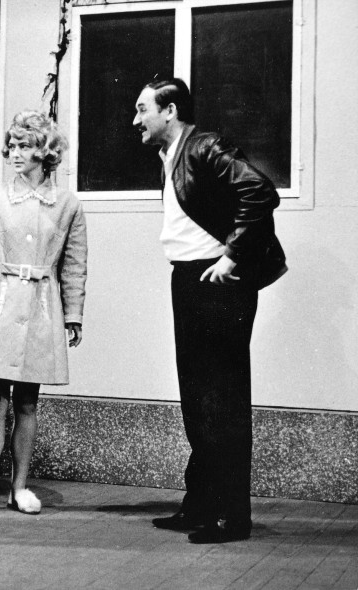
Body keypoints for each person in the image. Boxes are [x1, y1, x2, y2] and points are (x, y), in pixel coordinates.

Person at [133, 78, 287, 544]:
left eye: (142, 109)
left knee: (223, 401)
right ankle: (201, 504)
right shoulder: (172, 156)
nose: (136, 120)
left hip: (217, 283)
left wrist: (232, 256)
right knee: (199, 400)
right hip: (188, 278)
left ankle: (231, 517)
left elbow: (259, 190)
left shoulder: (203, 146)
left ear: (170, 111)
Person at [0, 110, 88, 516]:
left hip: (42, 307)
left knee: (27, 401)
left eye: (24, 146)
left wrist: (73, 314)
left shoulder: (67, 204)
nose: (14, 153)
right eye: (11, 146)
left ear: (44, 152)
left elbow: (74, 264)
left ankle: (20, 488)